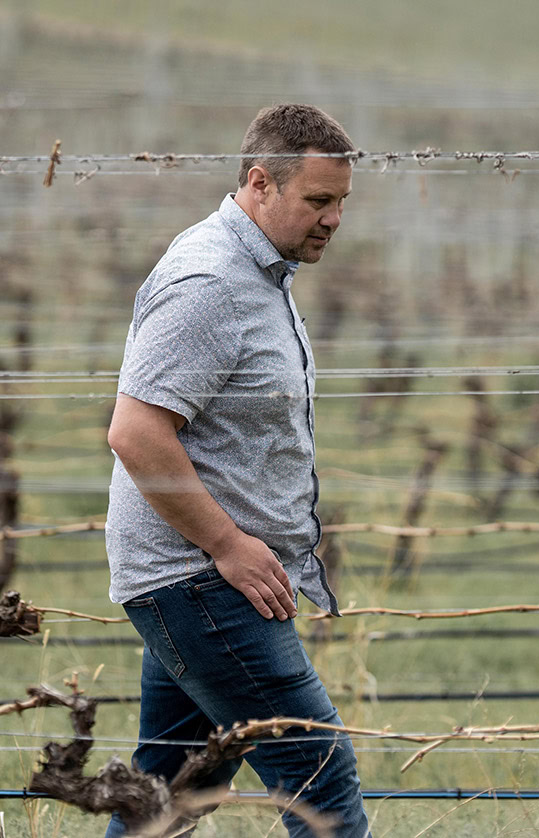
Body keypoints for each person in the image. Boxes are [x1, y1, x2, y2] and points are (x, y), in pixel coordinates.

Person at [102, 104, 370, 837]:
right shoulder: (211, 283)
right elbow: (135, 431)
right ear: (260, 183)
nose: (334, 219)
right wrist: (227, 544)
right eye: (318, 200)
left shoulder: (258, 273)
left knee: (170, 793)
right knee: (320, 776)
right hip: (201, 581)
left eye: (342, 201)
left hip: (198, 582)